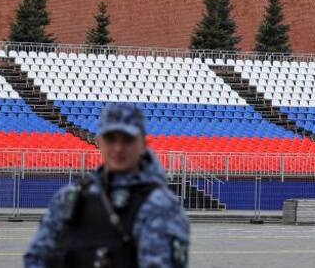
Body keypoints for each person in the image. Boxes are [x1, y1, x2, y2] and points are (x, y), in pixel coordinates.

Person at [24, 102, 190, 268]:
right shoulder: (70, 198)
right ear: (99, 141)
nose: (118, 148)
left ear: (144, 145)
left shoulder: (161, 205)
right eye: (111, 139)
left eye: (127, 139)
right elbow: (36, 257)